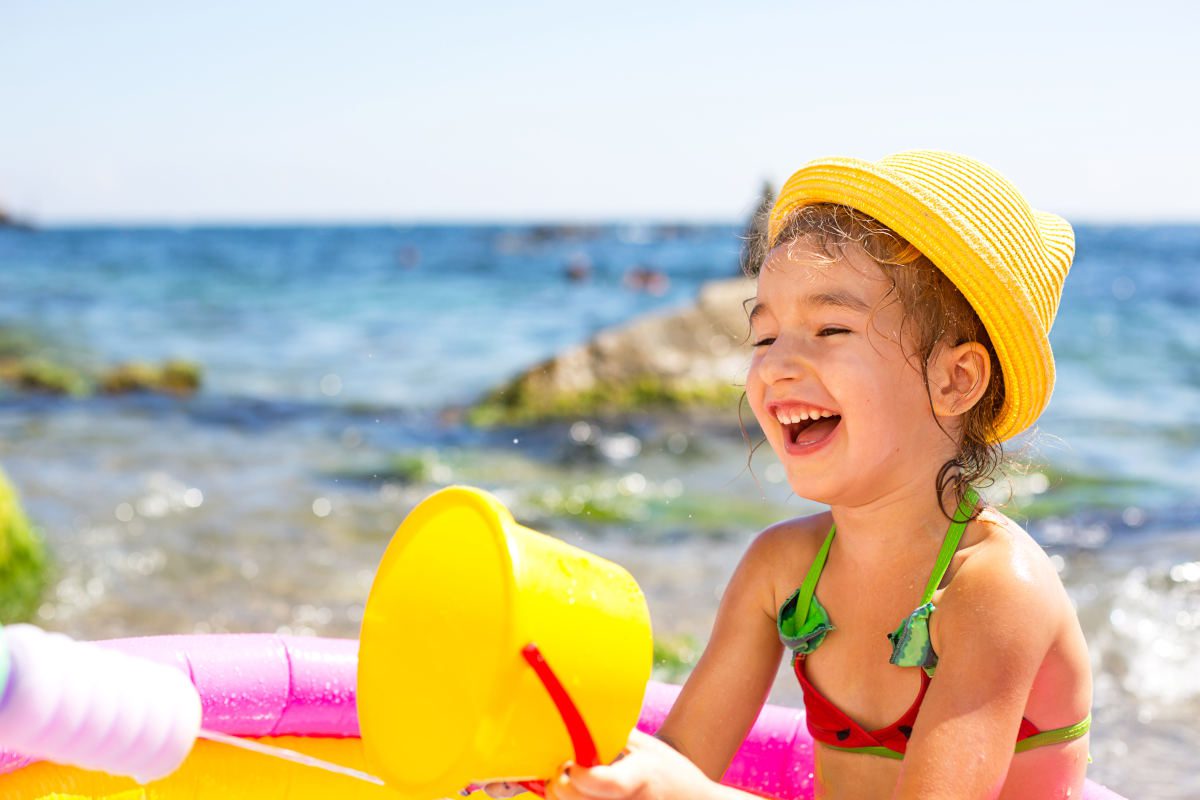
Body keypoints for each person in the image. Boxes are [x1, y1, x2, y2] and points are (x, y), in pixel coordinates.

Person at [490, 150, 1093, 800]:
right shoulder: (782, 569)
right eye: (765, 338)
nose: (776, 366)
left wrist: (677, 792)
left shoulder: (997, 591)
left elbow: (684, 789)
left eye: (830, 327)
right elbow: (684, 760)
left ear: (955, 379)